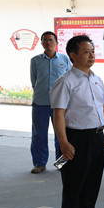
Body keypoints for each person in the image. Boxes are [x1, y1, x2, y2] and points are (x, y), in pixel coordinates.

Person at [50, 35, 104, 208]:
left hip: (97, 136)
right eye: (86, 51)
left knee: (92, 182)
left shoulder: (97, 79)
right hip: (76, 138)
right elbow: (58, 114)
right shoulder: (65, 82)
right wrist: (63, 142)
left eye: (93, 51)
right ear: (73, 55)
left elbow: (102, 107)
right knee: (74, 184)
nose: (91, 55)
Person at [29, 31, 71, 173]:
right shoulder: (35, 60)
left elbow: (70, 79)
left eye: (51, 40)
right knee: (39, 134)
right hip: (40, 103)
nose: (48, 42)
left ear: (56, 43)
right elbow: (34, 80)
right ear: (41, 43)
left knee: (61, 135)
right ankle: (39, 163)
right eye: (45, 40)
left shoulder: (64, 59)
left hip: (60, 104)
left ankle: (61, 163)